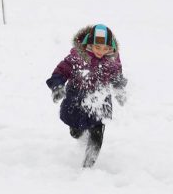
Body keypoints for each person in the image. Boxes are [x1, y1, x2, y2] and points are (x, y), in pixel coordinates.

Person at [46, 24, 127, 168]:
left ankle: (89, 164)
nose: (101, 52)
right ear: (90, 43)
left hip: (100, 97)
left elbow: (116, 76)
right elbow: (61, 71)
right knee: (76, 131)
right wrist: (57, 85)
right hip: (77, 96)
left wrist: (119, 89)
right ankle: (78, 131)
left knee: (97, 129)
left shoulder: (113, 59)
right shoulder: (77, 56)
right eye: (98, 47)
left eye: (106, 48)